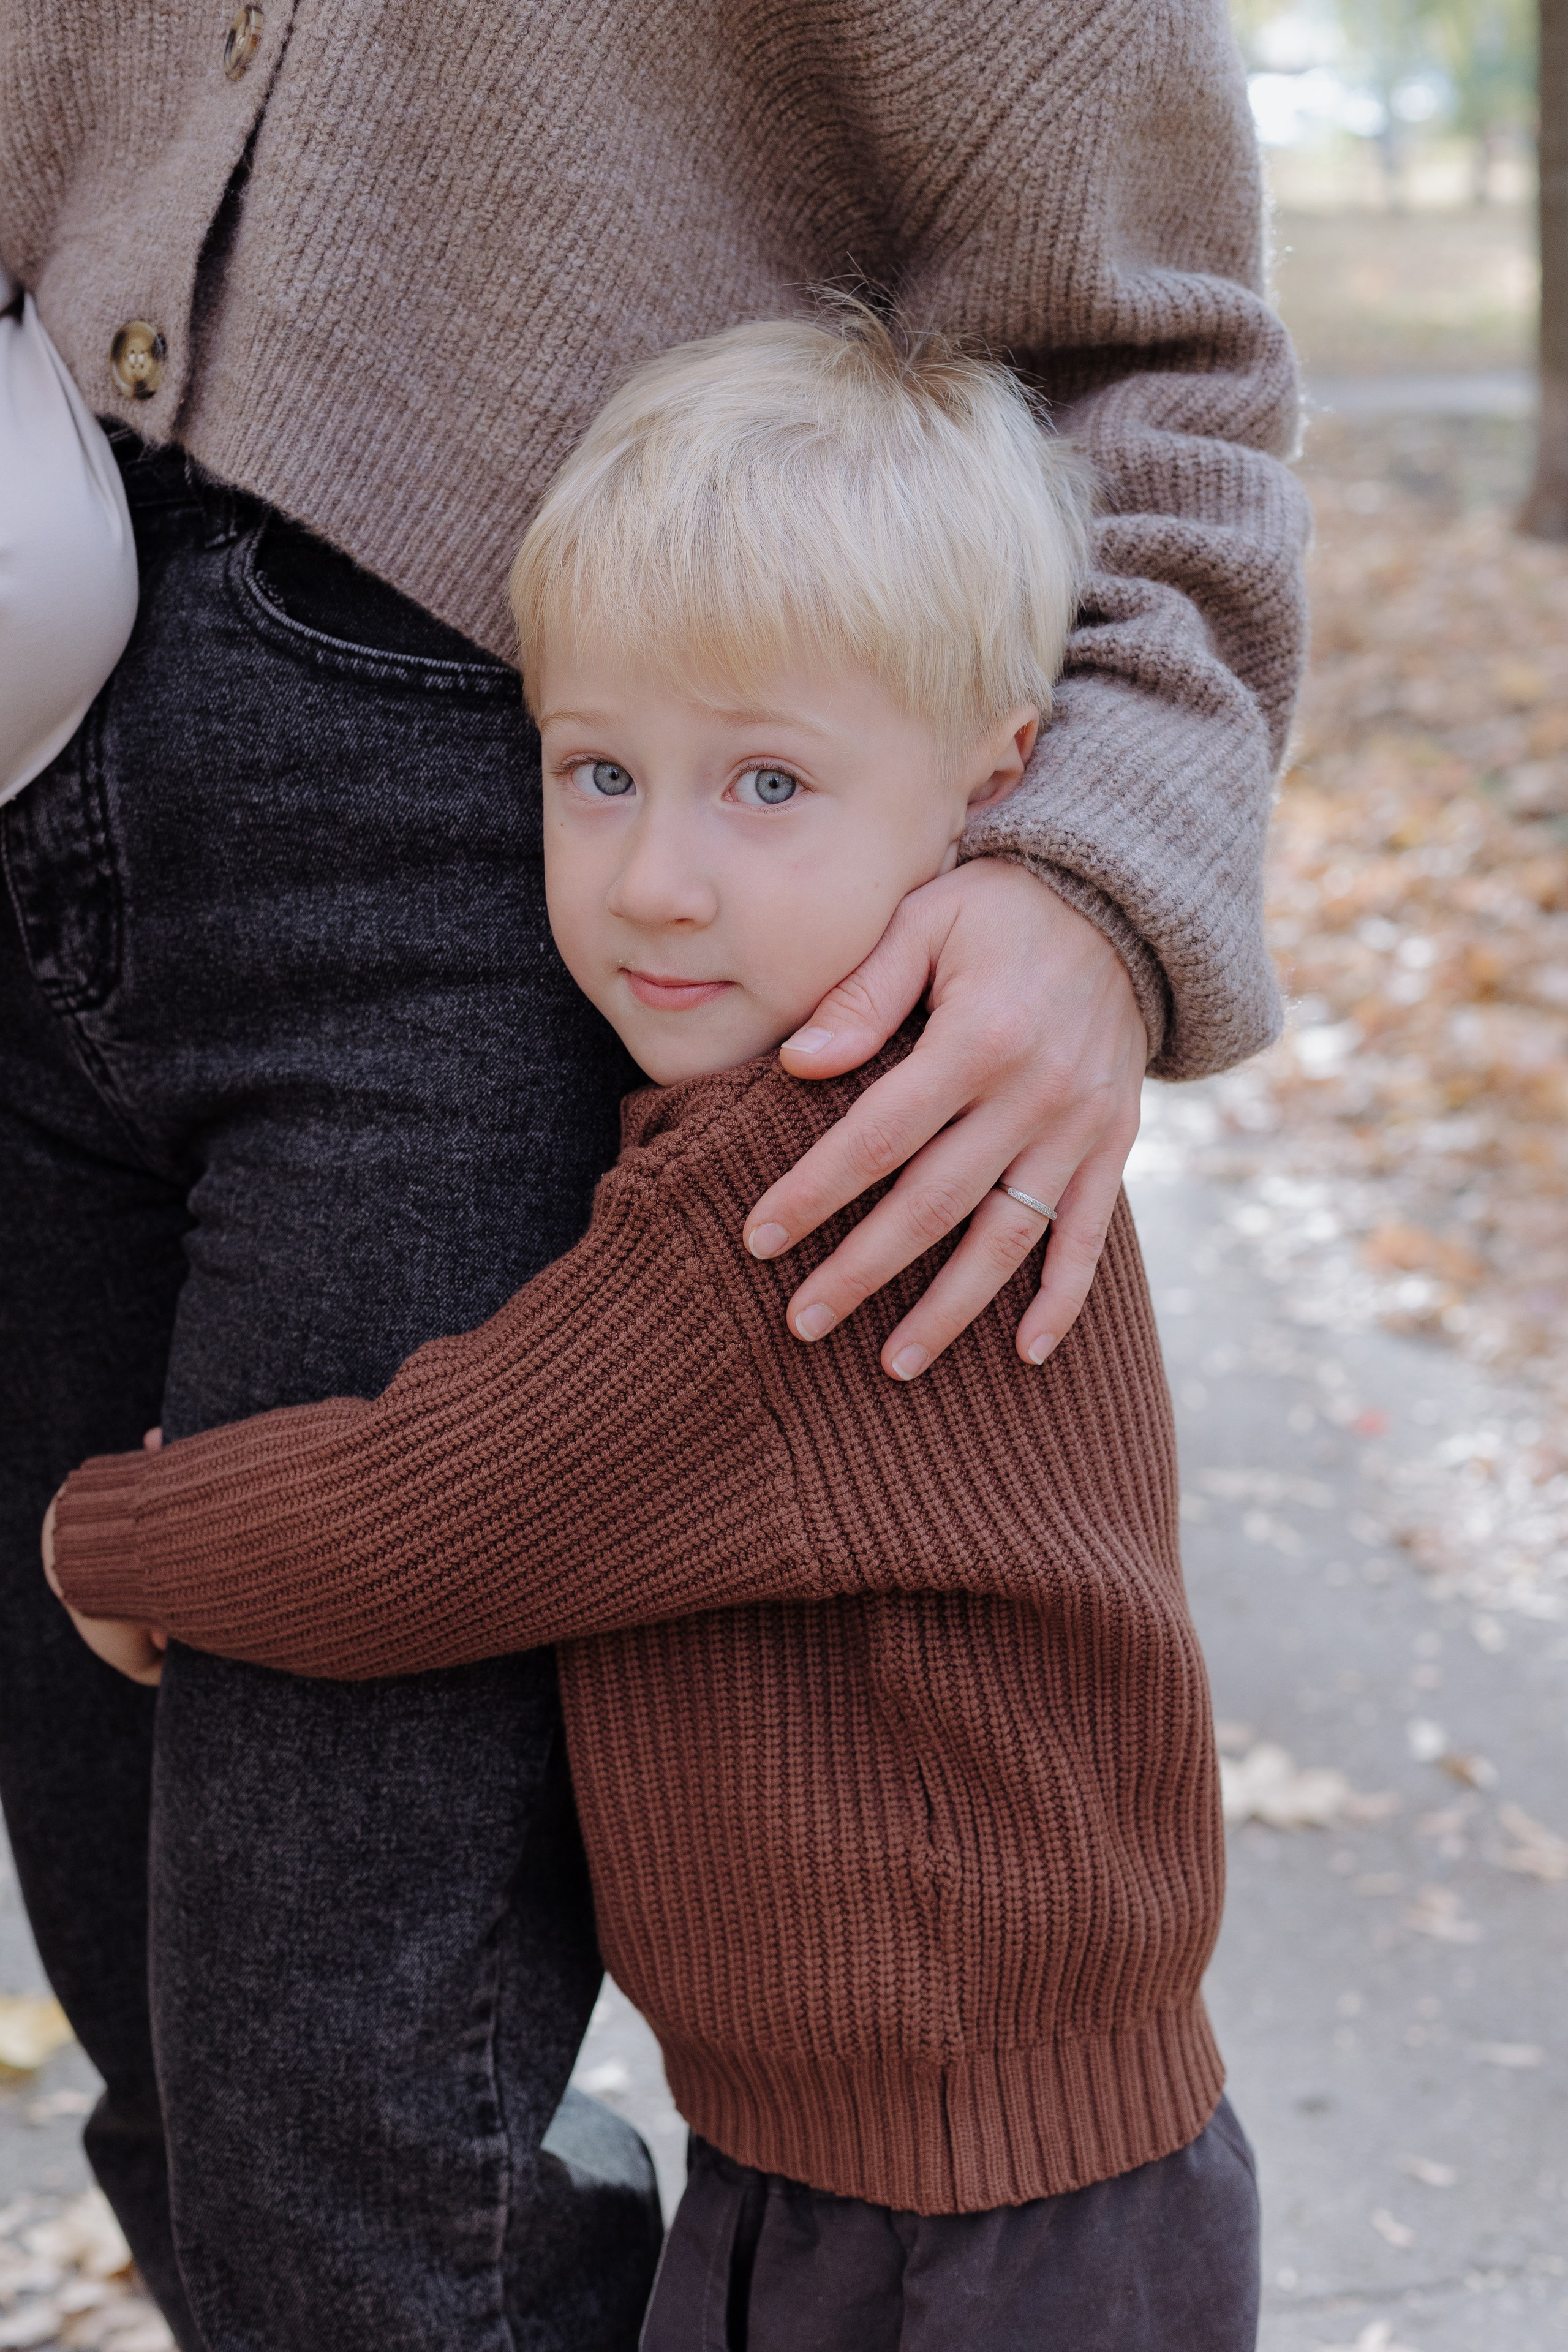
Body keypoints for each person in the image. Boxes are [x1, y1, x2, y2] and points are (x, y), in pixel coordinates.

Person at [0, 2, 1308, 2342]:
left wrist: (120, 1533)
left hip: (998, 2227)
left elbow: (438, 1510)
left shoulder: (771, 1192)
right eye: (615, 786)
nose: (673, 876)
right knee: (184, 2074)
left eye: (765, 796)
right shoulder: (692, 1103)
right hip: (815, 2187)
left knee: (347, 2135)